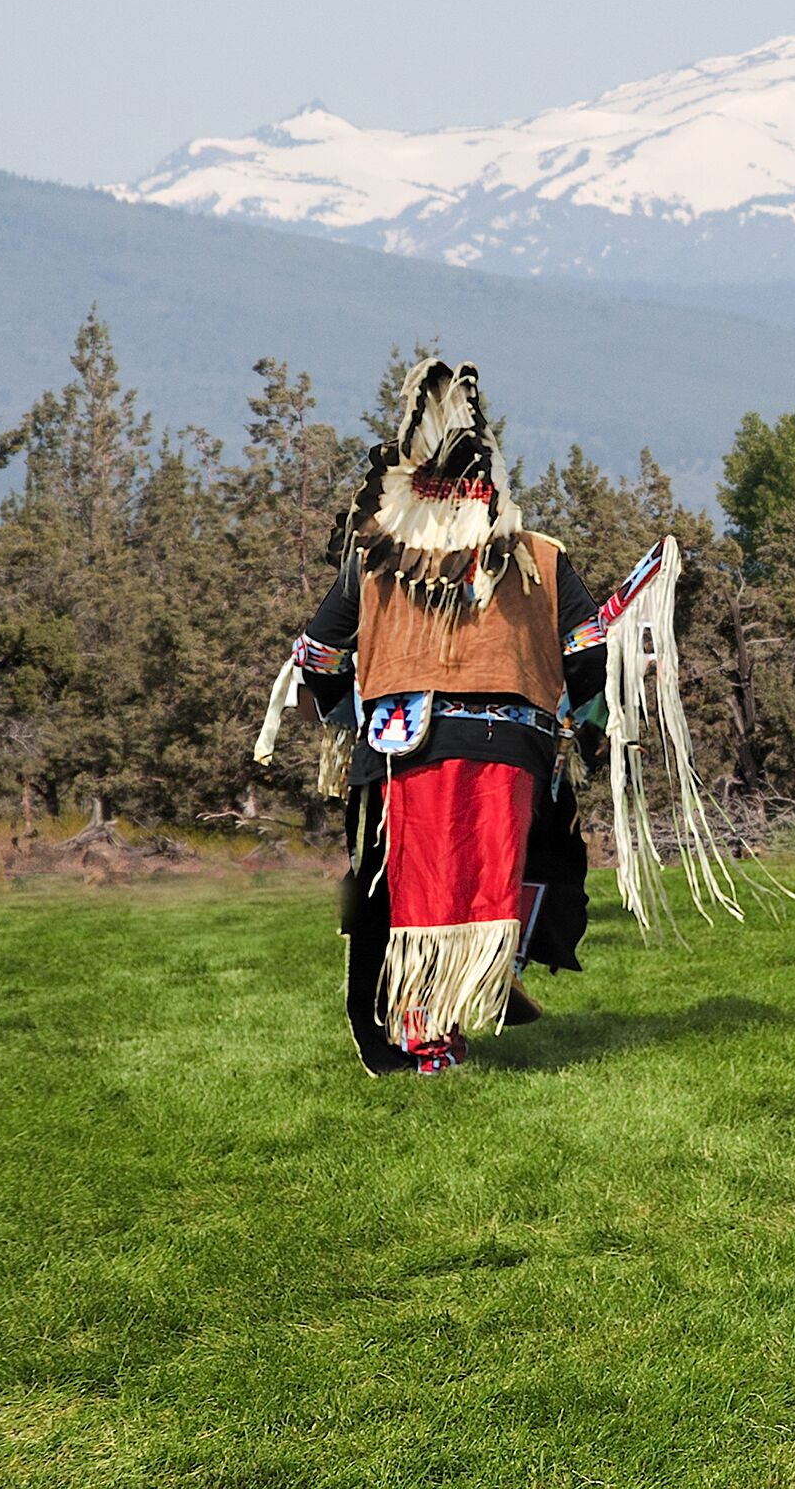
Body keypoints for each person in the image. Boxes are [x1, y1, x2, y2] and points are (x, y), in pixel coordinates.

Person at [255, 358, 736, 1074]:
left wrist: (348, 710)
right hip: (511, 751)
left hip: (402, 747)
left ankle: (423, 1036)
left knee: (412, 888)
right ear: (493, 489)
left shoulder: (377, 560)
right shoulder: (538, 558)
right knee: (485, 880)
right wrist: (604, 700)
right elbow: (586, 655)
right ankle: (459, 1007)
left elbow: (319, 655)